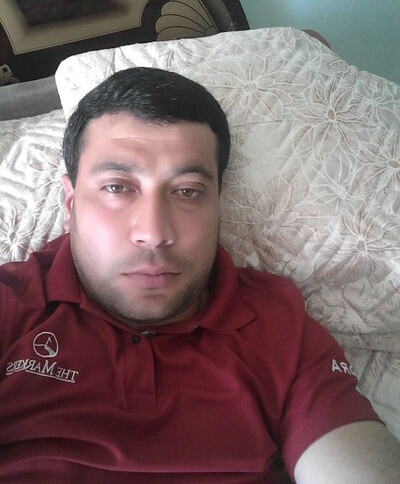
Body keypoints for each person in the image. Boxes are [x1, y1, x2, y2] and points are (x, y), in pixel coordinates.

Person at [0, 67, 399, 484]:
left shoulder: (278, 323)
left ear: (218, 203)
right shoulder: (12, 303)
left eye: (187, 191)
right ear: (70, 202)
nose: (154, 233)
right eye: (117, 187)